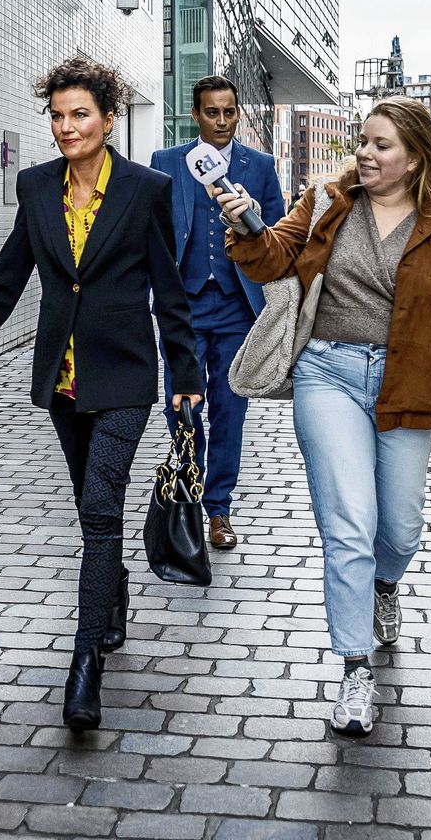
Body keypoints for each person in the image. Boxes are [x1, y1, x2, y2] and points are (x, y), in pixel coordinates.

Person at [220, 95, 431, 737]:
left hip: (407, 381)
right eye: (362, 141)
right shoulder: (328, 202)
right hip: (325, 373)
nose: (366, 153)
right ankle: (355, 669)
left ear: (414, 160)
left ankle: (386, 584)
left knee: (400, 529)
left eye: (382, 145)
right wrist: (247, 225)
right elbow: (274, 258)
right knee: (349, 521)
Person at [0, 56, 203, 731]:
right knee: (93, 505)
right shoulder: (35, 187)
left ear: (109, 120)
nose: (66, 127)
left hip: (124, 375)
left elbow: (170, 292)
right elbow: (8, 276)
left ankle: (85, 664)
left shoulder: (147, 190)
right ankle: (109, 591)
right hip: (62, 376)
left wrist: (187, 377)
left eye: (79, 114)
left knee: (98, 504)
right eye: (57, 116)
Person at [149, 75, 285, 551]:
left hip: (235, 309)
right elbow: (156, 235)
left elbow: (278, 237)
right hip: (182, 308)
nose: (223, 121)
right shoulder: (167, 163)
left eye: (229, 112)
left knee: (230, 413)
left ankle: (219, 510)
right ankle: (191, 489)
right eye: (213, 112)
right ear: (196, 114)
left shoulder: (260, 166)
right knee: (183, 410)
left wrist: (250, 219)